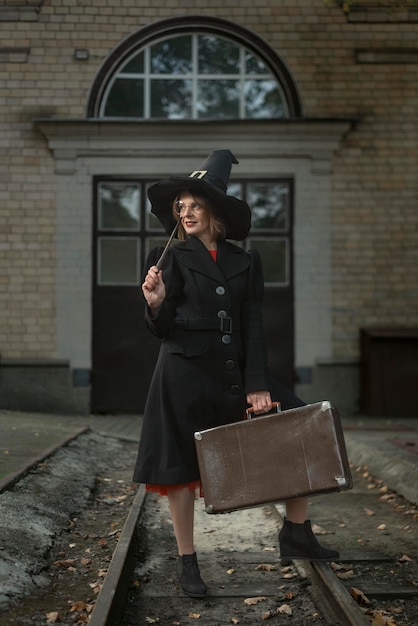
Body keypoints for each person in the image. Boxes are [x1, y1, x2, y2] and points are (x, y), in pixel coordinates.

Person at [133, 150, 339, 599]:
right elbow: (161, 329)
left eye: (195, 205)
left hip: (237, 371)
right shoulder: (166, 255)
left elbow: (253, 326)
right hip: (183, 372)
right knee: (180, 468)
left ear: (215, 212)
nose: (185, 212)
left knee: (301, 429)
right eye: (180, 206)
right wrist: (155, 303)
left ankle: (296, 534)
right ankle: (188, 561)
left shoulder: (245, 261)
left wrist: (259, 383)